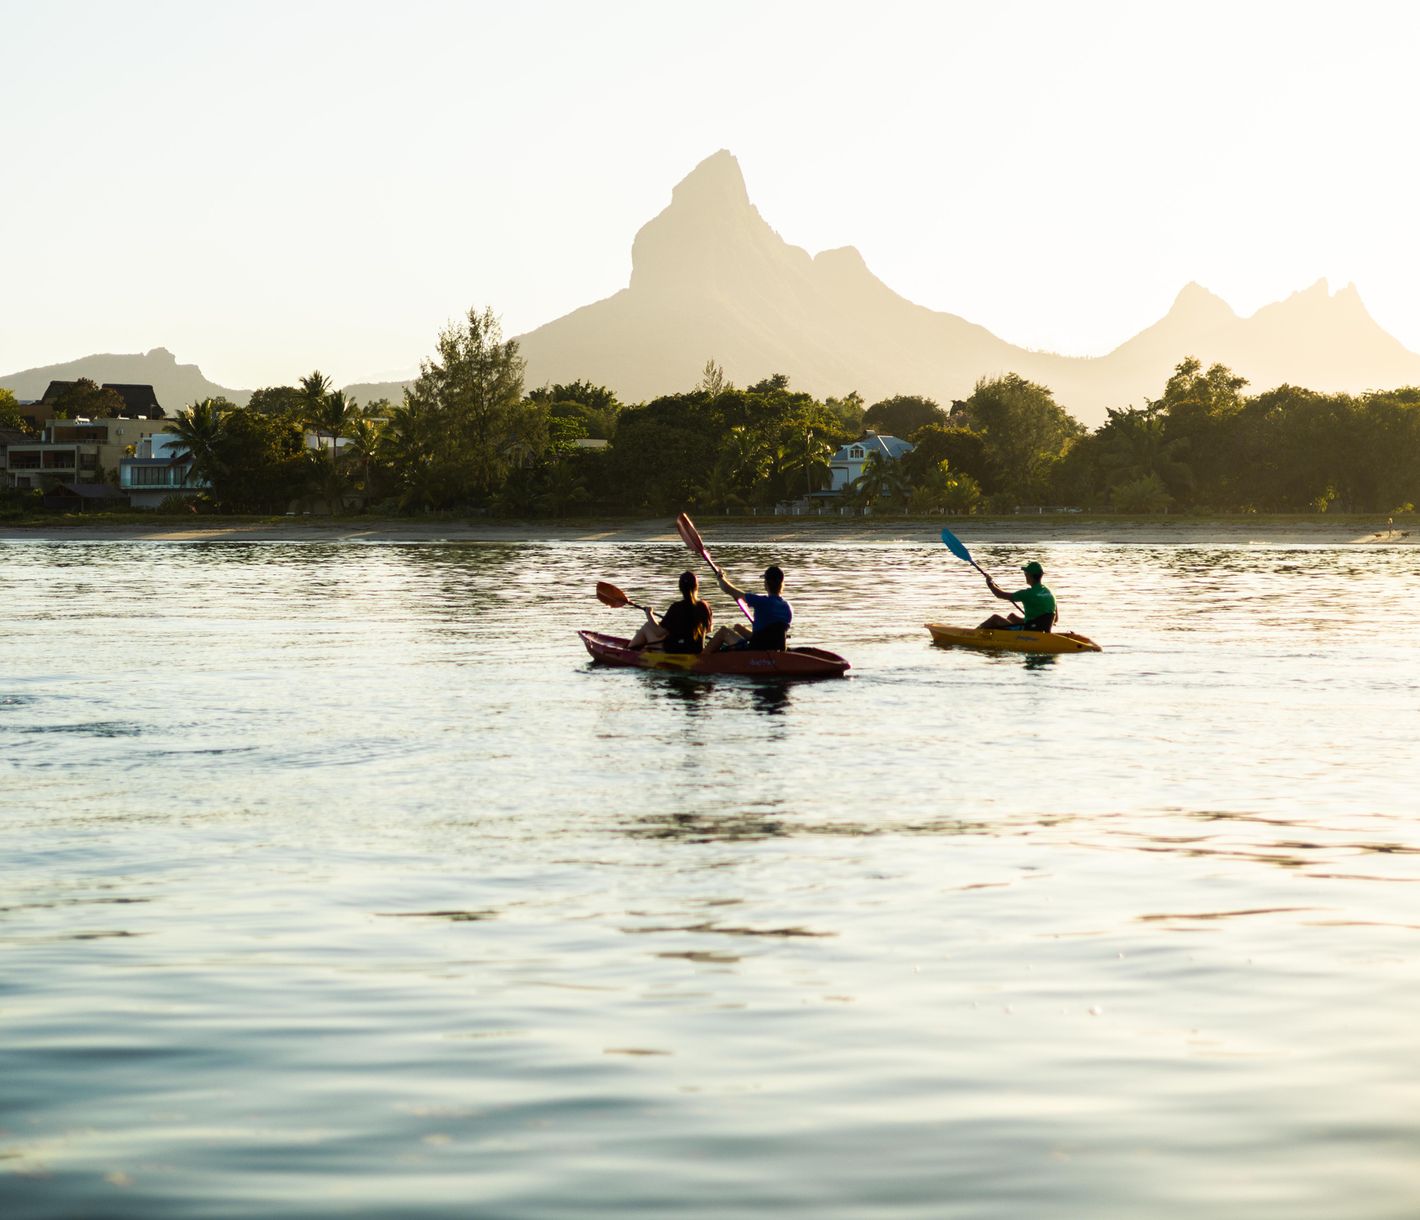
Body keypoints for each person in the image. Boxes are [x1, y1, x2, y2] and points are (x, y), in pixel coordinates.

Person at [705, 564, 792, 652]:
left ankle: (701, 657)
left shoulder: (760, 601)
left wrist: (721, 578)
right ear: (781, 583)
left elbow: (728, 589)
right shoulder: (788, 607)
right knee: (738, 627)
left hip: (756, 649)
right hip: (775, 647)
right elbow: (769, 633)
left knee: (723, 631)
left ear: (766, 583)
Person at [627, 571, 714, 653]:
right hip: (697, 650)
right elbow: (709, 629)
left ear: (680, 588)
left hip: (674, 651)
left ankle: (627, 652)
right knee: (658, 630)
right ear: (696, 587)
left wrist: (649, 614)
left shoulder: (676, 607)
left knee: (647, 626)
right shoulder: (705, 606)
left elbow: (658, 632)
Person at [979, 560, 1056, 632]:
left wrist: (990, 583)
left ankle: (974, 634)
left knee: (995, 619)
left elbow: (1000, 594)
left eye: (1025, 573)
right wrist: (1033, 619)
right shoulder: (1050, 593)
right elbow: (1055, 619)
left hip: (1029, 632)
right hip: (1040, 628)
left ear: (1030, 575)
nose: (1025, 575)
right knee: (1012, 617)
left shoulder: (1027, 594)